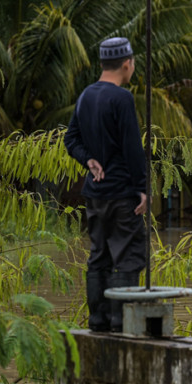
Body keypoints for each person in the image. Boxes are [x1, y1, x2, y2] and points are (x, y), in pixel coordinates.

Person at [64, 37, 148, 332]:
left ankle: (97, 321)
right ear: (127, 64)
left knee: (99, 255)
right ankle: (120, 321)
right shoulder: (122, 98)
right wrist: (142, 188)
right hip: (123, 194)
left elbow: (70, 139)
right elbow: (132, 148)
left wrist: (88, 160)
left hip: (95, 194)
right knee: (128, 257)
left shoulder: (86, 95)